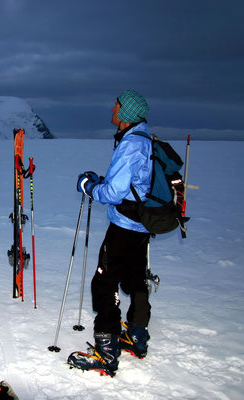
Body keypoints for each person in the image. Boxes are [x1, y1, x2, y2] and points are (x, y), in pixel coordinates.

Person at [72, 89, 153, 376]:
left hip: (124, 226)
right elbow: (133, 183)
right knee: (134, 278)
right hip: (141, 225)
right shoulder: (144, 139)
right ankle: (137, 336)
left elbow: (115, 192)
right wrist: (105, 181)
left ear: (126, 113)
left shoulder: (131, 144)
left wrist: (89, 186)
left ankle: (107, 351)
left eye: (116, 106)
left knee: (104, 284)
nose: (112, 109)